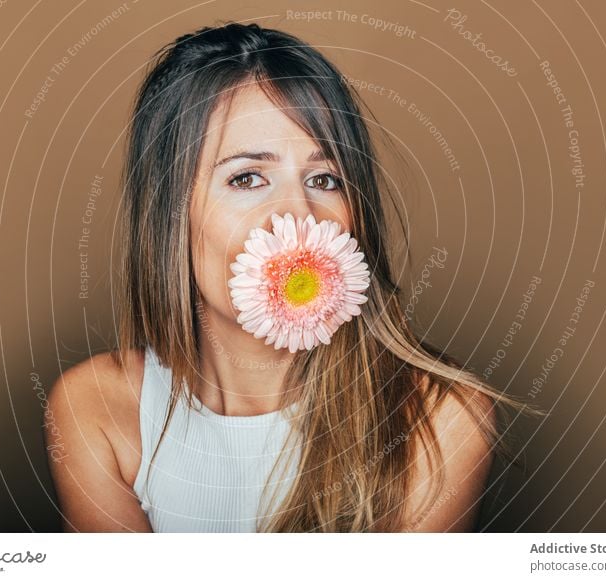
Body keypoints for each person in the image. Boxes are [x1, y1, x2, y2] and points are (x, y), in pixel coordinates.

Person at [44, 21, 540, 533]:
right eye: (246, 178)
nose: (297, 218)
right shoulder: (94, 408)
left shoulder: (441, 420)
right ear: (171, 216)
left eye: (324, 179)